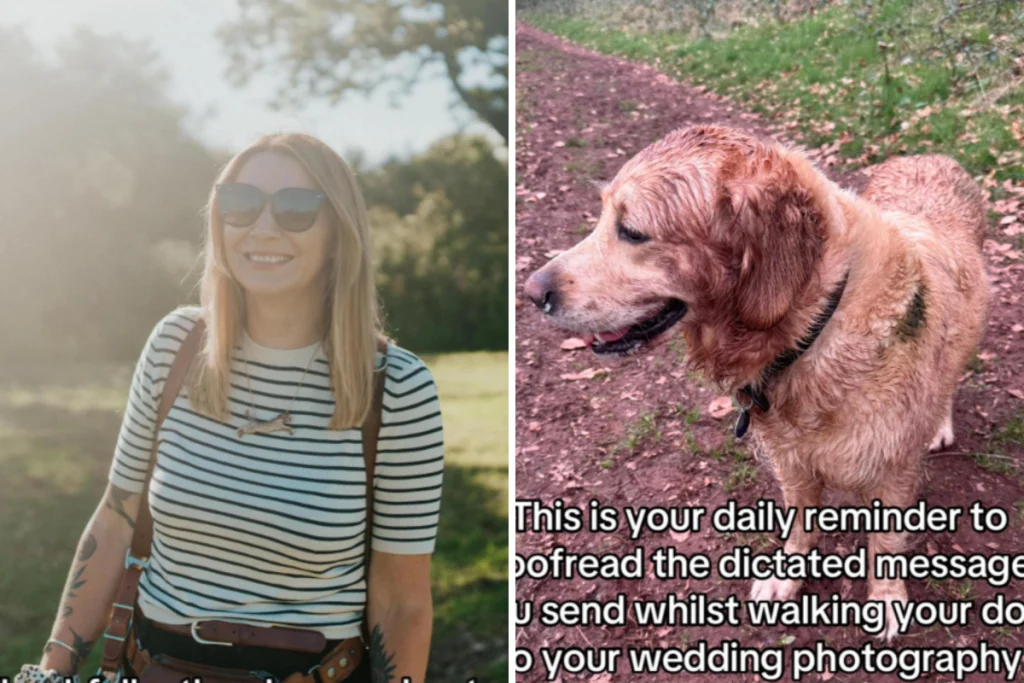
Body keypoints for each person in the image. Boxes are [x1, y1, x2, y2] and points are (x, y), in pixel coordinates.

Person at [16, 133, 444, 683]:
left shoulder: (399, 388)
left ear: (338, 230)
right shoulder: (176, 345)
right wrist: (51, 671)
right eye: (240, 204)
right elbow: (117, 518)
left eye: (295, 208)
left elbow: (401, 602)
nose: (262, 227)